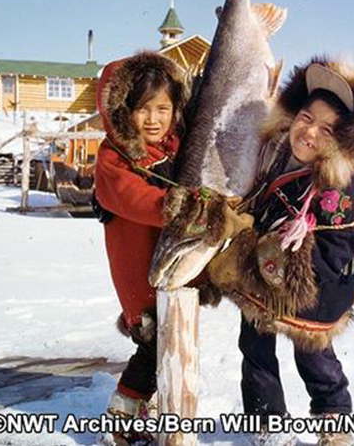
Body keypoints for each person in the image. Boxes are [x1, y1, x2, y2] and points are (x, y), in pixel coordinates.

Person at [207, 56, 354, 446]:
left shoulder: (339, 186)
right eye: (306, 118)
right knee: (254, 349)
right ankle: (267, 424)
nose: (309, 133)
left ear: (344, 141)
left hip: (316, 287)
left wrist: (287, 268)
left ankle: (335, 421)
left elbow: (337, 249)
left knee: (315, 357)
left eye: (327, 129)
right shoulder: (273, 152)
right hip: (262, 271)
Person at [92, 51, 249, 445]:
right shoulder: (114, 158)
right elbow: (133, 198)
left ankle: (152, 411)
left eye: (163, 108)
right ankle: (119, 420)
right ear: (121, 110)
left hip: (173, 267)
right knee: (153, 343)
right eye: (143, 109)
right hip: (139, 272)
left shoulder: (174, 147)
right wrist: (184, 208)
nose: (154, 119)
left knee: (172, 340)